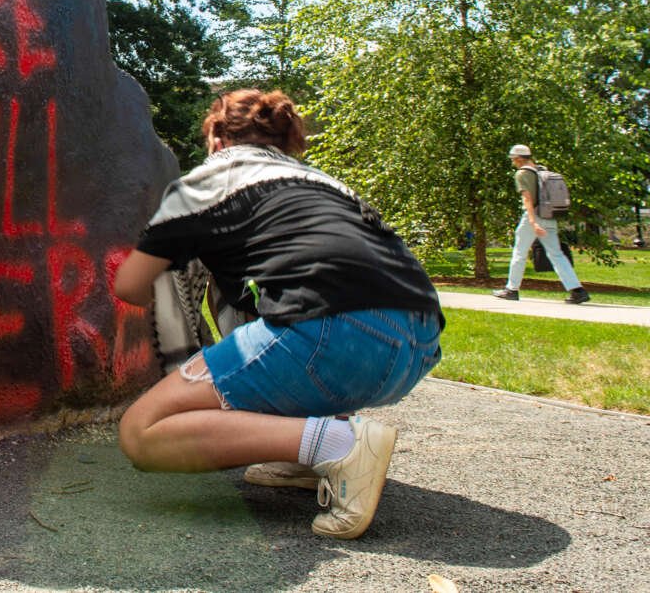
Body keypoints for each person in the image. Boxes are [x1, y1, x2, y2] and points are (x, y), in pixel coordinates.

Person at [113, 89, 443, 540]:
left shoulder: (207, 181)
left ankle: (339, 445)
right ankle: (302, 455)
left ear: (216, 139)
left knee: (142, 431)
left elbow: (132, 284)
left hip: (332, 335)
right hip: (417, 344)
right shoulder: (318, 181)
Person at [493, 145, 588, 304]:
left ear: (518, 159)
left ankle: (511, 289)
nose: (513, 162)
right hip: (549, 216)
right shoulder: (542, 170)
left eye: (513, 159)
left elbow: (527, 199)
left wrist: (532, 221)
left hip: (533, 217)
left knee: (519, 252)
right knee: (556, 254)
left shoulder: (522, 174)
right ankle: (577, 290)